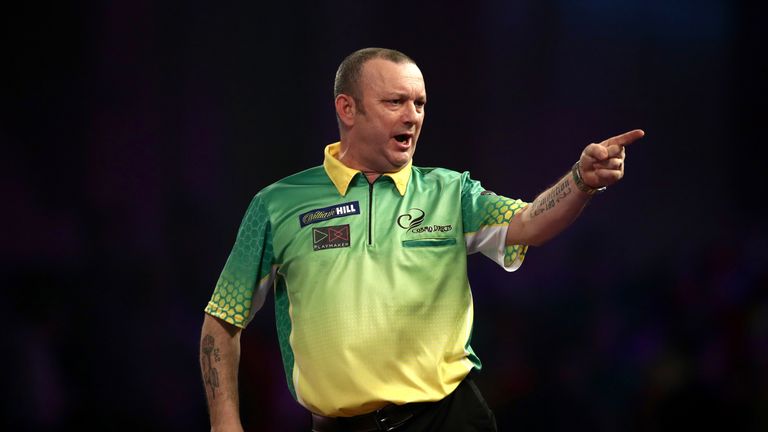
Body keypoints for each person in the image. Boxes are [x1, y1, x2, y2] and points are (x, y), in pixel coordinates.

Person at [199, 47, 644, 432]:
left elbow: (529, 223)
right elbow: (222, 320)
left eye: (420, 103)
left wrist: (581, 181)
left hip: (449, 418)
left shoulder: (451, 193)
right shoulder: (278, 204)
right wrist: (225, 423)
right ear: (347, 109)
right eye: (395, 102)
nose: (412, 116)